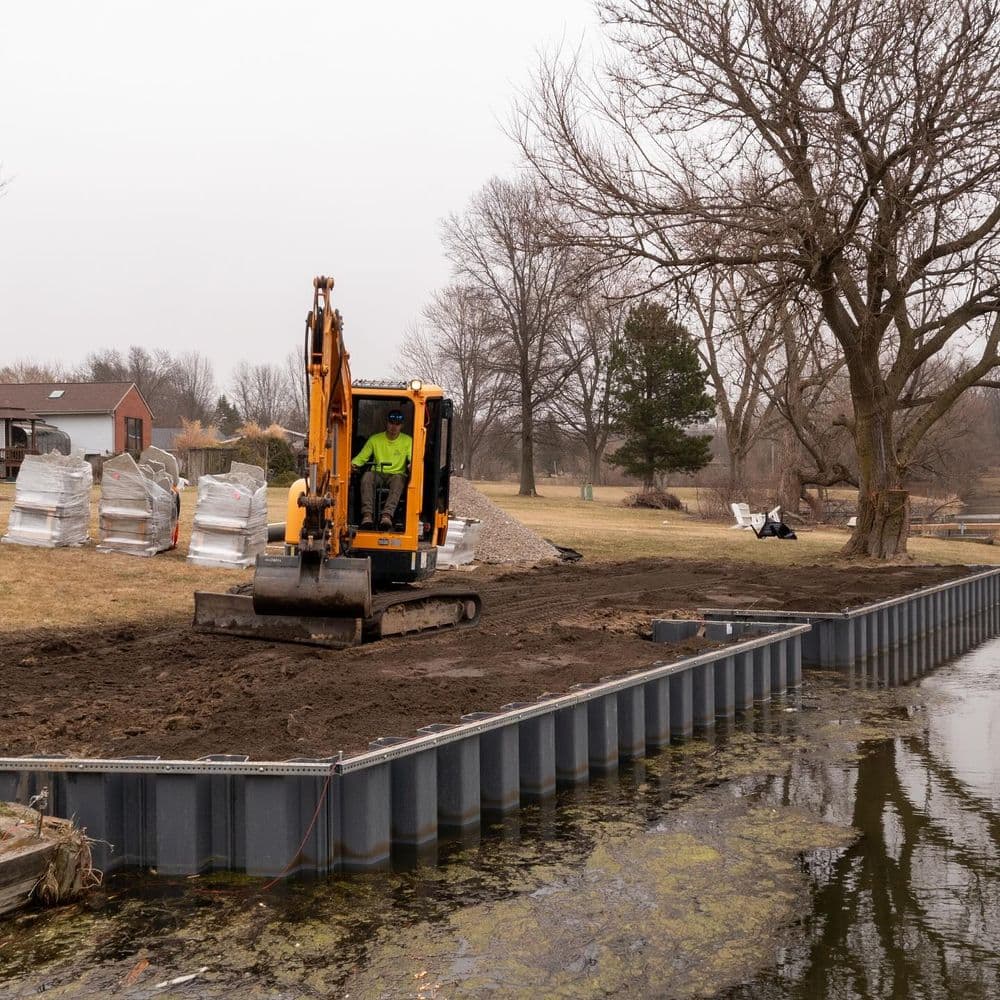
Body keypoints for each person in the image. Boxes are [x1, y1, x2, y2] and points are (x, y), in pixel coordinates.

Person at [351, 409, 412, 530]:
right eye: (391, 423)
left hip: (396, 474)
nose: (394, 426)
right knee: (367, 477)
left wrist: (411, 465)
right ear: (387, 423)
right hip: (378, 473)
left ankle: (387, 515)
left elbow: (412, 459)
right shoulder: (375, 439)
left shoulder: (408, 441)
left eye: (397, 424)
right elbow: (362, 457)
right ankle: (367, 515)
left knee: (399, 480)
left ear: (402, 426)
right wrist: (352, 465)